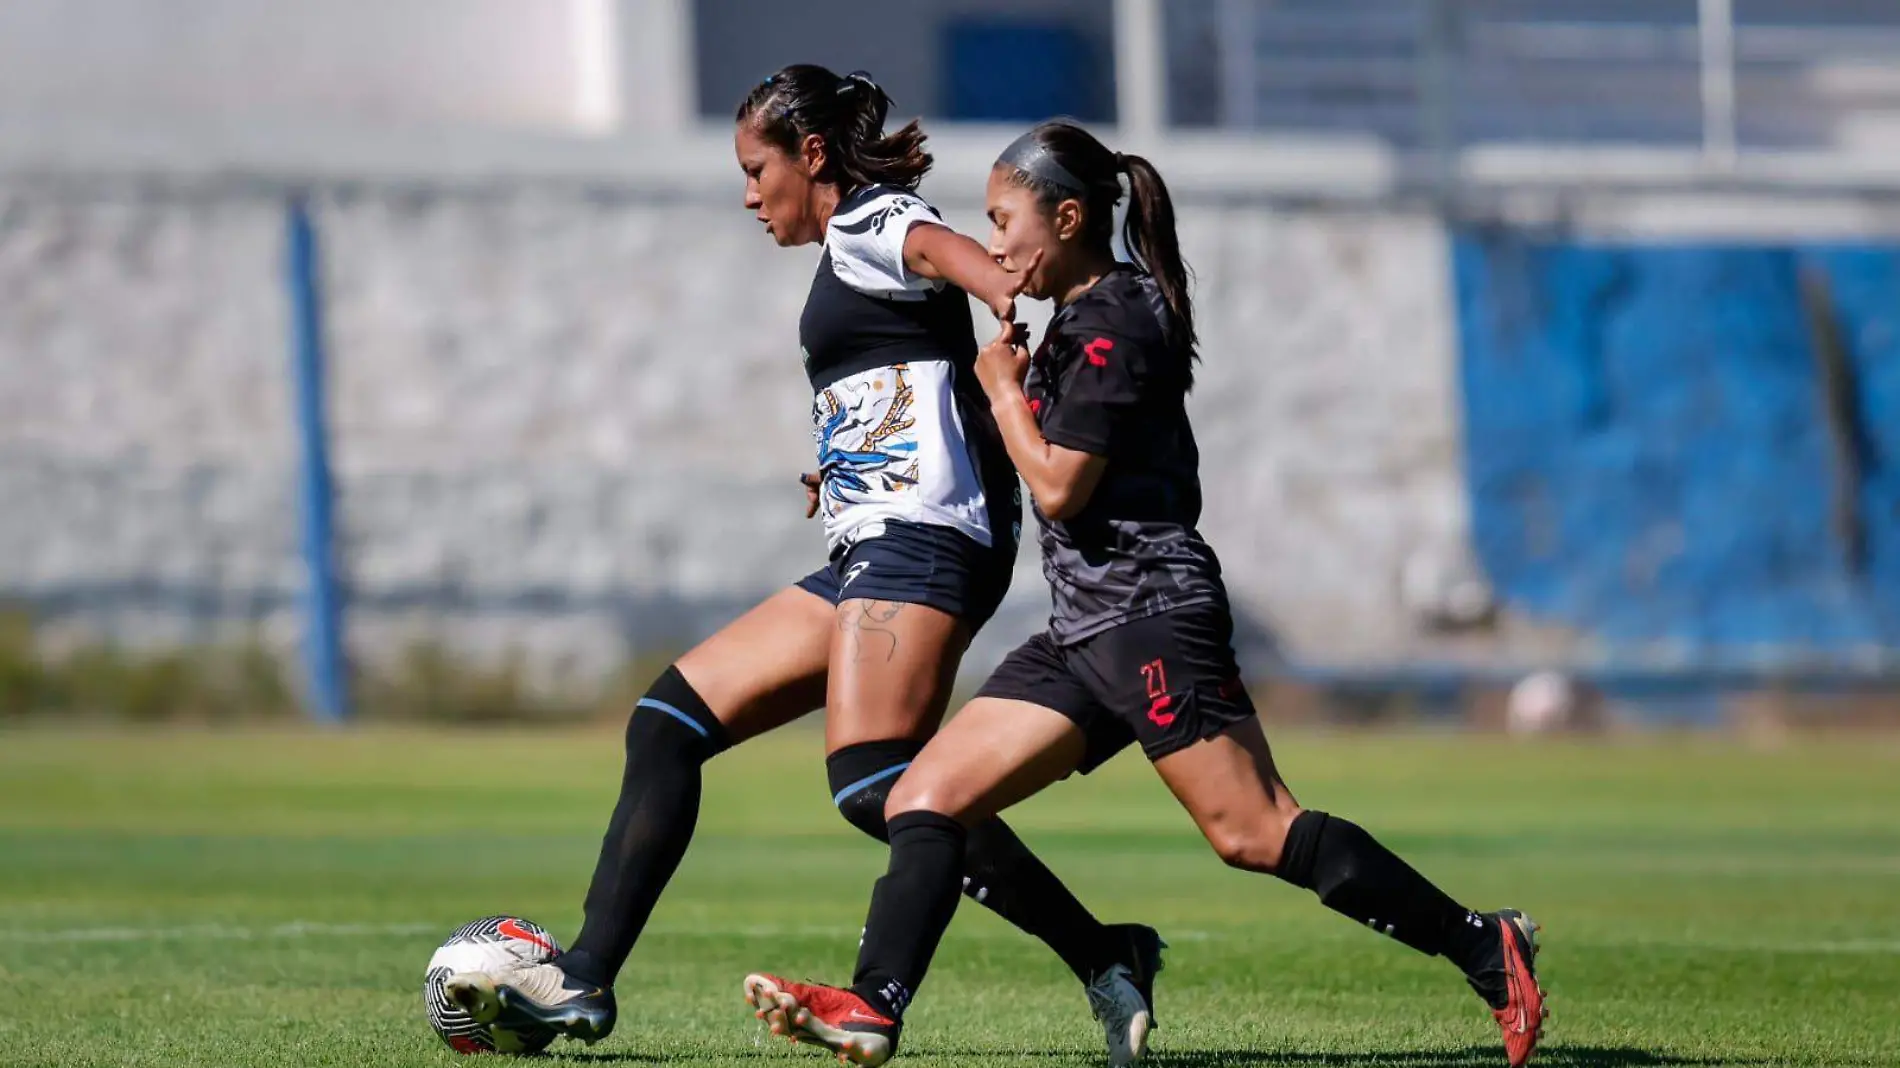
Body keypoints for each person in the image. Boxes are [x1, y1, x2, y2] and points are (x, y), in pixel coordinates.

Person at [740, 120, 1547, 1068]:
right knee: (926, 796)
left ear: (1069, 217)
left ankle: (1484, 945)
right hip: (1084, 626)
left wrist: (1001, 391)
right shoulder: (1075, 322)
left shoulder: (1119, 317)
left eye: (1005, 222)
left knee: (1253, 832)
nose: (995, 247)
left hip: (1152, 614)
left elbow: (1059, 486)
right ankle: (874, 1005)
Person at [442, 71, 1163, 1064]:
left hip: (923, 544)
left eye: (756, 169)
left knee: (879, 783)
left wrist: (1000, 295)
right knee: (667, 723)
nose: (749, 194)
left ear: (811, 157)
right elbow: (924, 372)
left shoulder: (874, 223)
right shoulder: (849, 246)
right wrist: (852, 455)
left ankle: (1087, 953)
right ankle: (585, 980)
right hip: (872, 544)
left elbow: (957, 259)